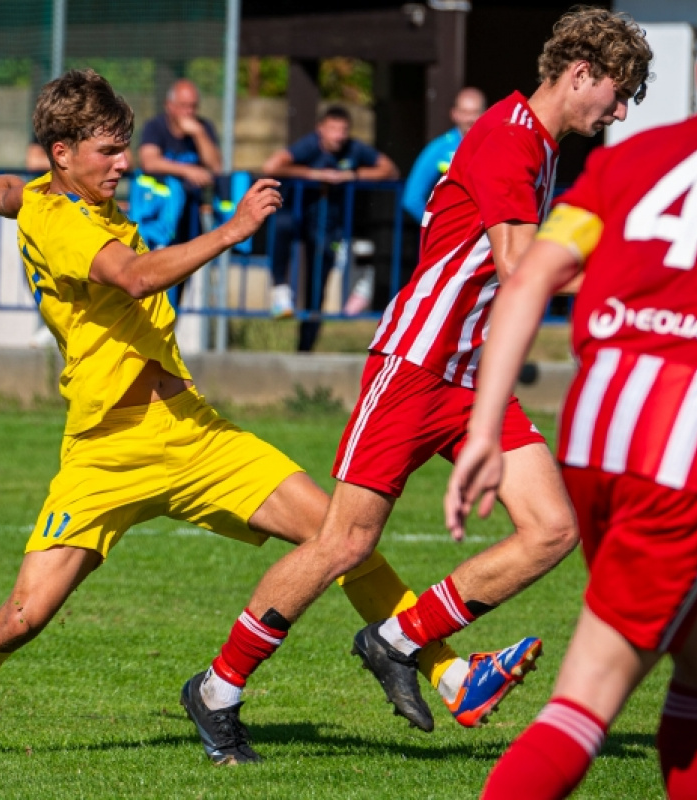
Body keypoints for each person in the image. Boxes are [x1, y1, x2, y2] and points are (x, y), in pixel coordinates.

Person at [0, 68, 510, 766]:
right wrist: (234, 230)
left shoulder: (44, 194)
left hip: (193, 434)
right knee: (20, 618)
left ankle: (452, 674)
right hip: (106, 453)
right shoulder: (64, 220)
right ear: (63, 153)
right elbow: (134, 275)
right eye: (108, 150)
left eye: (125, 145)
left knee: (341, 537)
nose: (124, 162)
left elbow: (13, 194)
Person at [177, 7, 653, 764]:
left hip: (468, 374)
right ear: (581, 73)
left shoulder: (542, 144)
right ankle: (217, 688)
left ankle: (397, 639)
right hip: (415, 367)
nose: (621, 110)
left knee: (555, 530)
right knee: (344, 542)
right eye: (619, 91)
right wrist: (644, 279)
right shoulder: (509, 139)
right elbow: (519, 270)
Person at [445, 102, 697, 800]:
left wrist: (486, 430)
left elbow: (527, 278)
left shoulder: (632, 158)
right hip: (682, 443)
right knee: (584, 701)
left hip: (598, 427)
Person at [262, 106, 399, 351]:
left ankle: (306, 348)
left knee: (319, 285)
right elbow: (271, 166)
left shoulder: (355, 149)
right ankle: (280, 290)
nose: (338, 135)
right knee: (279, 225)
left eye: (343, 130)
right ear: (321, 129)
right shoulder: (308, 146)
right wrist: (313, 174)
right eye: (333, 129)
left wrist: (351, 176)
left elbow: (389, 169)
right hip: (298, 216)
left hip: (330, 228)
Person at [137, 78, 221, 307]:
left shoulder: (202, 128)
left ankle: (171, 323)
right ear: (170, 106)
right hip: (158, 219)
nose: (189, 112)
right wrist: (186, 171)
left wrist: (199, 134)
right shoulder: (155, 127)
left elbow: (216, 165)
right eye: (184, 106)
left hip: (190, 216)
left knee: (180, 276)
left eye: (193, 106)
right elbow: (149, 161)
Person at [402, 87, 487, 224]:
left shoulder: (495, 146)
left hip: (487, 234)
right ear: (454, 114)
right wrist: (438, 226)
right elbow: (412, 198)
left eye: (475, 112)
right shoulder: (439, 148)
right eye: (464, 112)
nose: (470, 119)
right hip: (452, 234)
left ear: (485, 113)